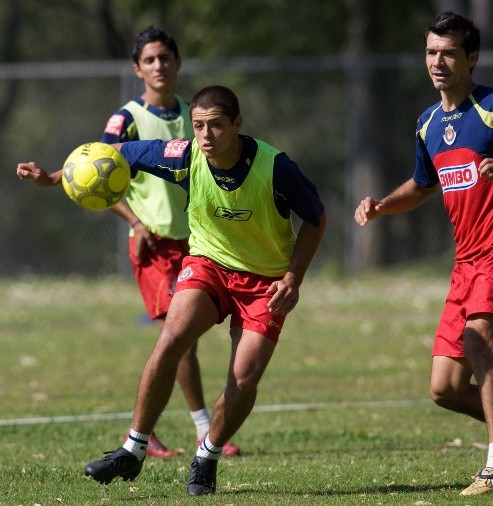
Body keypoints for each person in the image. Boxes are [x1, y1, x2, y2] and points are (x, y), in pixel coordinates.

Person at [17, 85, 326, 496]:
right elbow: (116, 154)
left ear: (237, 124)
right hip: (209, 265)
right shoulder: (183, 154)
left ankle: (207, 456)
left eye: (216, 125)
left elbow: (317, 217)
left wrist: (293, 277)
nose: (206, 136)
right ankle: (133, 447)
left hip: (264, 284)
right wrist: (56, 177)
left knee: (244, 379)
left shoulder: (276, 167)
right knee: (171, 338)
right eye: (198, 125)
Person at [354, 11, 493, 496]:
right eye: (431, 52)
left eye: (449, 53)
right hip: (466, 263)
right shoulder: (428, 123)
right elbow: (421, 185)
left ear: (471, 58)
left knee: (479, 345)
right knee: (445, 387)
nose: (438, 61)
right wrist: (381, 206)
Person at [106, 26, 240, 458]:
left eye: (165, 58)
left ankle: (155, 431)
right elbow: (95, 171)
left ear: (177, 63)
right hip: (153, 244)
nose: (159, 66)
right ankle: (189, 428)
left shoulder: (194, 112)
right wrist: (134, 221)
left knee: (183, 339)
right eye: (150, 60)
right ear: (137, 69)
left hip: (197, 243)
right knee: (174, 334)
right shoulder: (126, 119)